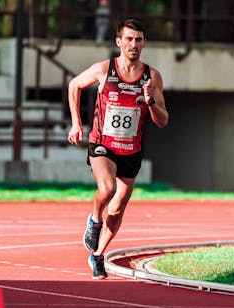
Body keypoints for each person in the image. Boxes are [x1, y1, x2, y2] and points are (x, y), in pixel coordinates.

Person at [67, 19, 169, 279]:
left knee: (118, 207)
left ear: (144, 43)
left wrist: (150, 100)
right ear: (119, 42)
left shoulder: (152, 76)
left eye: (138, 40)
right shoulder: (105, 69)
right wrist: (77, 124)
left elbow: (162, 120)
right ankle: (94, 219)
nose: (134, 44)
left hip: (131, 150)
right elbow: (74, 85)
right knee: (108, 190)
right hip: (103, 144)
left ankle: (98, 255)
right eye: (129, 39)